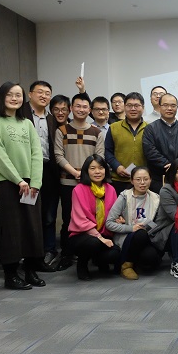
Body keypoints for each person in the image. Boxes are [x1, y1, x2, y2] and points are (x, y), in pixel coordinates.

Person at [0, 82, 46, 290]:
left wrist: (35, 182)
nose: (14, 98)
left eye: (18, 95)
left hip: (30, 184)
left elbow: (36, 153)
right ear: (1, 97)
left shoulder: (27, 123)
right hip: (8, 183)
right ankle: (10, 275)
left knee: (32, 226)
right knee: (11, 228)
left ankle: (30, 270)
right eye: (10, 94)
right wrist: (18, 180)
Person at [54, 92, 105, 271]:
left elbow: (99, 157)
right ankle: (67, 254)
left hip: (91, 185)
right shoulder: (62, 131)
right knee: (68, 220)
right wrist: (75, 173)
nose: (81, 109)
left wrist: (86, 175)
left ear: (89, 110)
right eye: (78, 106)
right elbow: (58, 156)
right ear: (71, 108)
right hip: (68, 183)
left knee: (93, 219)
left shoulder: (97, 132)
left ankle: (92, 254)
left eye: (85, 107)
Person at [21, 80, 59, 270]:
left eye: (47, 93)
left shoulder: (52, 119)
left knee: (49, 213)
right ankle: (30, 253)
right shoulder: (20, 115)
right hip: (27, 173)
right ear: (30, 94)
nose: (44, 96)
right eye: (40, 92)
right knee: (30, 212)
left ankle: (48, 251)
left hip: (48, 171)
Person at [68, 154, 119, 280]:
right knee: (93, 243)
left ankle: (99, 260)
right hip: (82, 235)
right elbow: (80, 220)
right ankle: (82, 265)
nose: (97, 171)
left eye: (101, 168)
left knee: (115, 253)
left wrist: (119, 219)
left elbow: (114, 213)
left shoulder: (110, 189)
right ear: (86, 171)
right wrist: (100, 237)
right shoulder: (79, 190)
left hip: (104, 232)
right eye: (93, 168)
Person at [105, 166, 161, 280]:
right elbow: (109, 223)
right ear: (132, 181)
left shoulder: (155, 198)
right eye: (138, 179)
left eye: (146, 179)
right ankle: (126, 265)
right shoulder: (124, 197)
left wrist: (146, 228)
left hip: (146, 236)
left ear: (150, 180)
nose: (142, 182)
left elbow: (157, 222)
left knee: (151, 257)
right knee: (139, 234)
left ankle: (135, 261)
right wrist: (131, 228)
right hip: (126, 236)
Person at [142, 93, 178, 193]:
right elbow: (150, 151)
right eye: (165, 105)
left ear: (177, 107)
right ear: (159, 107)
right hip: (159, 177)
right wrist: (167, 164)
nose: (169, 108)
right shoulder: (150, 128)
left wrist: (177, 165)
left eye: (173, 105)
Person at [105, 92, 147, 195]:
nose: (133, 109)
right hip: (119, 179)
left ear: (143, 107)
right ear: (124, 107)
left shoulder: (150, 128)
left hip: (143, 181)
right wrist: (117, 166)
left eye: (136, 105)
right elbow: (107, 151)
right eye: (129, 105)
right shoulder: (114, 127)